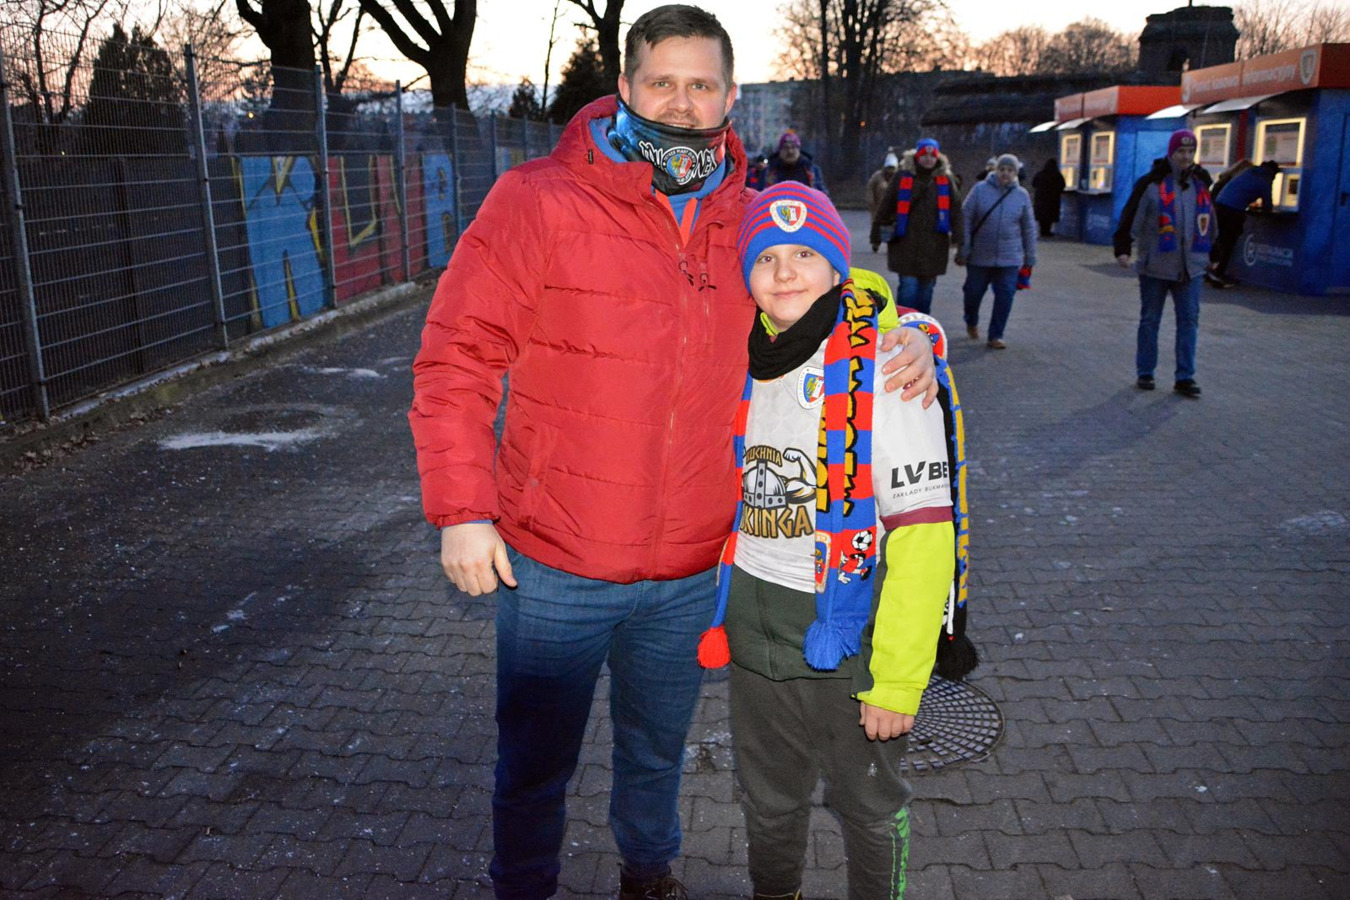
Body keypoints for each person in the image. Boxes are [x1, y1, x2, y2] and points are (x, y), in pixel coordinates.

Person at [407, 7, 938, 899]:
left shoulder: (749, 217)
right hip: (555, 561)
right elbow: (455, 356)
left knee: (656, 751)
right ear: (624, 87)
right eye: (662, 82)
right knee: (534, 763)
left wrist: (909, 327)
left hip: (695, 567)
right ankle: (524, 885)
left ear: (729, 97)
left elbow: (830, 283)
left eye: (701, 85)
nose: (682, 103)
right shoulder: (537, 199)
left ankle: (648, 873)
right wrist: (463, 509)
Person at [697, 182, 961, 900]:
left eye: (805, 254)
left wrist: (898, 679)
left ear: (838, 267)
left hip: (848, 629)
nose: (785, 272)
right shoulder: (739, 353)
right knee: (768, 797)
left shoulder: (887, 366)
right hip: (752, 621)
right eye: (766, 258)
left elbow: (924, 539)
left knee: (868, 804)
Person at [1116, 129, 1214, 398]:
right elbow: (1131, 217)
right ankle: (1145, 371)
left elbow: (1210, 221)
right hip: (1156, 265)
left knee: (1189, 321)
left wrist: (1214, 254)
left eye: (1190, 151)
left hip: (1190, 266)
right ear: (1171, 153)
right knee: (1150, 320)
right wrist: (1123, 248)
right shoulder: (1152, 184)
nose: (1186, 156)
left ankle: (1185, 376)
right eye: (1181, 151)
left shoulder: (1200, 184)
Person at [870, 138, 965, 315]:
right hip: (905, 245)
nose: (928, 159)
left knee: (926, 293)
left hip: (934, 247)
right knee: (908, 289)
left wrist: (960, 241)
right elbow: (886, 205)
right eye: (924, 155)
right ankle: (904, 323)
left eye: (932, 156)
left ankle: (921, 325)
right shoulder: (902, 177)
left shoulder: (945, 181)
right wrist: (876, 231)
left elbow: (956, 211)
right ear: (916, 157)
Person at [956, 153, 1036, 350]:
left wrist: (1030, 256)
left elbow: (1028, 228)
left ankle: (996, 335)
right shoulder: (980, 190)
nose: (1005, 174)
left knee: (1005, 296)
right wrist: (964, 246)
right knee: (973, 293)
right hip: (980, 256)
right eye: (1002, 169)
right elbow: (965, 218)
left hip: (1010, 258)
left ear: (1016, 173)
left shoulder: (1022, 195)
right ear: (995, 170)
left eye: (1010, 170)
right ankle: (971, 320)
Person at [1207, 160, 1278, 288]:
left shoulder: (1249, 172)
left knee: (1219, 239)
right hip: (1233, 211)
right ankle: (1219, 273)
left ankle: (1211, 270)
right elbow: (1268, 205)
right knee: (1229, 242)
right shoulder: (1265, 179)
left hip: (1220, 205)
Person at [764, 130, 828, 193]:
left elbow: (822, 195)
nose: (790, 151)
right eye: (786, 148)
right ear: (780, 151)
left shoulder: (812, 170)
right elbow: (760, 194)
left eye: (793, 147)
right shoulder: (768, 171)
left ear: (799, 150)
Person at [1031, 158, 1065, 238]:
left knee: (1042, 218)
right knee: (1049, 218)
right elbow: (1062, 185)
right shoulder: (1057, 175)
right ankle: (1047, 231)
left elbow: (1033, 183)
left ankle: (1042, 231)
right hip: (1053, 200)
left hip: (1041, 200)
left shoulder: (1040, 174)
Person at [865, 150, 899, 219]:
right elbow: (870, 189)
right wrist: (871, 204)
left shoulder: (898, 177)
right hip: (878, 209)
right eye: (889, 167)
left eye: (893, 168)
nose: (891, 170)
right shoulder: (877, 176)